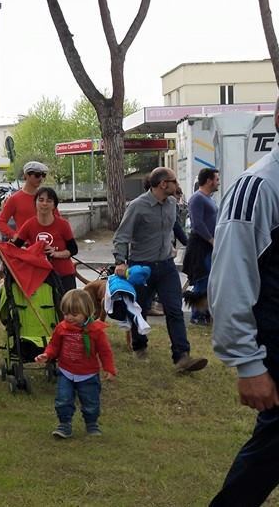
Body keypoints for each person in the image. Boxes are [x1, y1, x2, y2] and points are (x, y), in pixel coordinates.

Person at [208, 102, 279, 506]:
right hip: (275, 348)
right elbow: (231, 278)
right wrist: (248, 364)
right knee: (264, 462)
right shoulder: (260, 186)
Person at [113, 167, 207, 372]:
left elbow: (175, 228)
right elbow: (121, 236)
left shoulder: (172, 203)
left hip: (166, 266)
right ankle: (139, 346)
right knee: (140, 309)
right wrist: (120, 261)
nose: (177, 185)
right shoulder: (137, 206)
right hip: (141, 267)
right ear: (163, 184)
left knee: (174, 310)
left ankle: (182, 357)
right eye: (174, 181)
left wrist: (189, 245)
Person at [35, 289, 116, 439]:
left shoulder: (95, 331)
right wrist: (47, 354)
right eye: (66, 314)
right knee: (63, 400)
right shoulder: (62, 328)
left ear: (86, 312)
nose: (69, 318)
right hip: (66, 372)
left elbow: (105, 352)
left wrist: (109, 369)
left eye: (74, 314)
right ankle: (64, 425)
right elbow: (54, 345)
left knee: (90, 401)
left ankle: (92, 424)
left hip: (88, 374)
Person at [12, 187, 78, 291]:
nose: (44, 204)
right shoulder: (29, 224)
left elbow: (74, 249)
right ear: (35, 203)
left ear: (54, 205)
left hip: (64, 275)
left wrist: (56, 253)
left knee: (65, 306)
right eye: (41, 200)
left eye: (49, 201)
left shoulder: (63, 225)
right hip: (40, 277)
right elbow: (14, 248)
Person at [183, 168, 219, 325]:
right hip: (200, 246)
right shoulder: (197, 198)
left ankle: (206, 314)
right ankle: (197, 316)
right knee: (202, 280)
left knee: (210, 280)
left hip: (209, 246)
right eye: (216, 179)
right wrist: (211, 240)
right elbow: (197, 224)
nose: (218, 182)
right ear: (209, 181)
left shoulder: (209, 198)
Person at [0, 160, 50, 240]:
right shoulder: (14, 199)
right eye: (37, 175)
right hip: (25, 248)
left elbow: (58, 220)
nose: (41, 178)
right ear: (26, 176)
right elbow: (0, 222)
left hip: (46, 244)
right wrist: (15, 236)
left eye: (43, 175)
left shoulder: (46, 198)